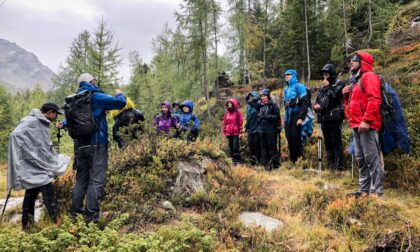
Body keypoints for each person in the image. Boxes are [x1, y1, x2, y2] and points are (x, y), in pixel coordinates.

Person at [58, 73, 126, 222]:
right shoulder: (94, 96)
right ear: (92, 82)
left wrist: (63, 123)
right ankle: (92, 216)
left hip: (80, 146)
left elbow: (71, 120)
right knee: (96, 180)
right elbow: (119, 103)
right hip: (97, 144)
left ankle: (75, 214)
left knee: (81, 180)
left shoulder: (74, 101)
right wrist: (120, 94)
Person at [7, 103, 70, 230]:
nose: (56, 117)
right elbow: (15, 135)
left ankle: (27, 227)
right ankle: (59, 224)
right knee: (48, 193)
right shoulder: (33, 121)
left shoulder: (38, 122)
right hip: (36, 166)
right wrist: (30, 154)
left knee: (30, 194)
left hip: (35, 166)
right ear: (51, 112)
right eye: (56, 114)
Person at [343, 52, 383, 197]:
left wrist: (366, 120)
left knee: (372, 158)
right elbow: (350, 107)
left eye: (354, 60)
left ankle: (376, 191)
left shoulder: (369, 76)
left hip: (367, 125)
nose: (351, 63)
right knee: (361, 159)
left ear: (362, 62)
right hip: (356, 125)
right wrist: (346, 96)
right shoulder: (355, 80)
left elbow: (374, 100)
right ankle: (364, 190)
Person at [314, 64, 345, 174]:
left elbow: (334, 97)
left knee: (336, 142)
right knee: (327, 143)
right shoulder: (323, 87)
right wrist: (316, 106)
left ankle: (339, 167)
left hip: (335, 117)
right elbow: (318, 100)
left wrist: (328, 87)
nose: (324, 75)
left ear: (331, 73)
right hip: (324, 118)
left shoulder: (339, 84)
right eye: (323, 73)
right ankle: (331, 167)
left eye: (326, 73)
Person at [247, 89, 280, 170]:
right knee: (263, 148)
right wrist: (258, 97)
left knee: (272, 147)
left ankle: (275, 165)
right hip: (261, 130)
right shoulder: (260, 106)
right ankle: (267, 166)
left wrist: (266, 117)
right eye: (262, 96)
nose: (263, 97)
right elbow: (249, 102)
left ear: (268, 96)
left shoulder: (273, 105)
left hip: (271, 130)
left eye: (264, 96)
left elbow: (276, 116)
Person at [283, 69, 310, 165]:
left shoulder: (300, 86)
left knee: (296, 138)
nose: (286, 76)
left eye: (288, 74)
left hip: (296, 115)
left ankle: (300, 162)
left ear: (294, 75)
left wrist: (301, 118)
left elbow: (305, 103)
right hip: (288, 117)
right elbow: (285, 105)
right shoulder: (286, 89)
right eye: (285, 75)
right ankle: (292, 161)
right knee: (289, 138)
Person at [223, 98, 243, 164]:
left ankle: (238, 161)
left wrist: (240, 132)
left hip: (236, 133)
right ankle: (232, 161)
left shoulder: (238, 112)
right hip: (228, 133)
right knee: (231, 147)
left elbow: (240, 123)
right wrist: (224, 132)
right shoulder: (226, 113)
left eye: (230, 103)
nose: (229, 104)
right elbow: (225, 123)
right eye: (228, 103)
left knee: (235, 147)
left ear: (234, 104)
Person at [245, 91, 261, 165]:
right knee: (251, 145)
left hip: (257, 129)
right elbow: (248, 118)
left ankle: (258, 161)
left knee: (257, 145)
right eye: (249, 97)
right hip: (250, 129)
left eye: (252, 96)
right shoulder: (248, 107)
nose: (250, 98)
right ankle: (253, 161)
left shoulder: (258, 105)